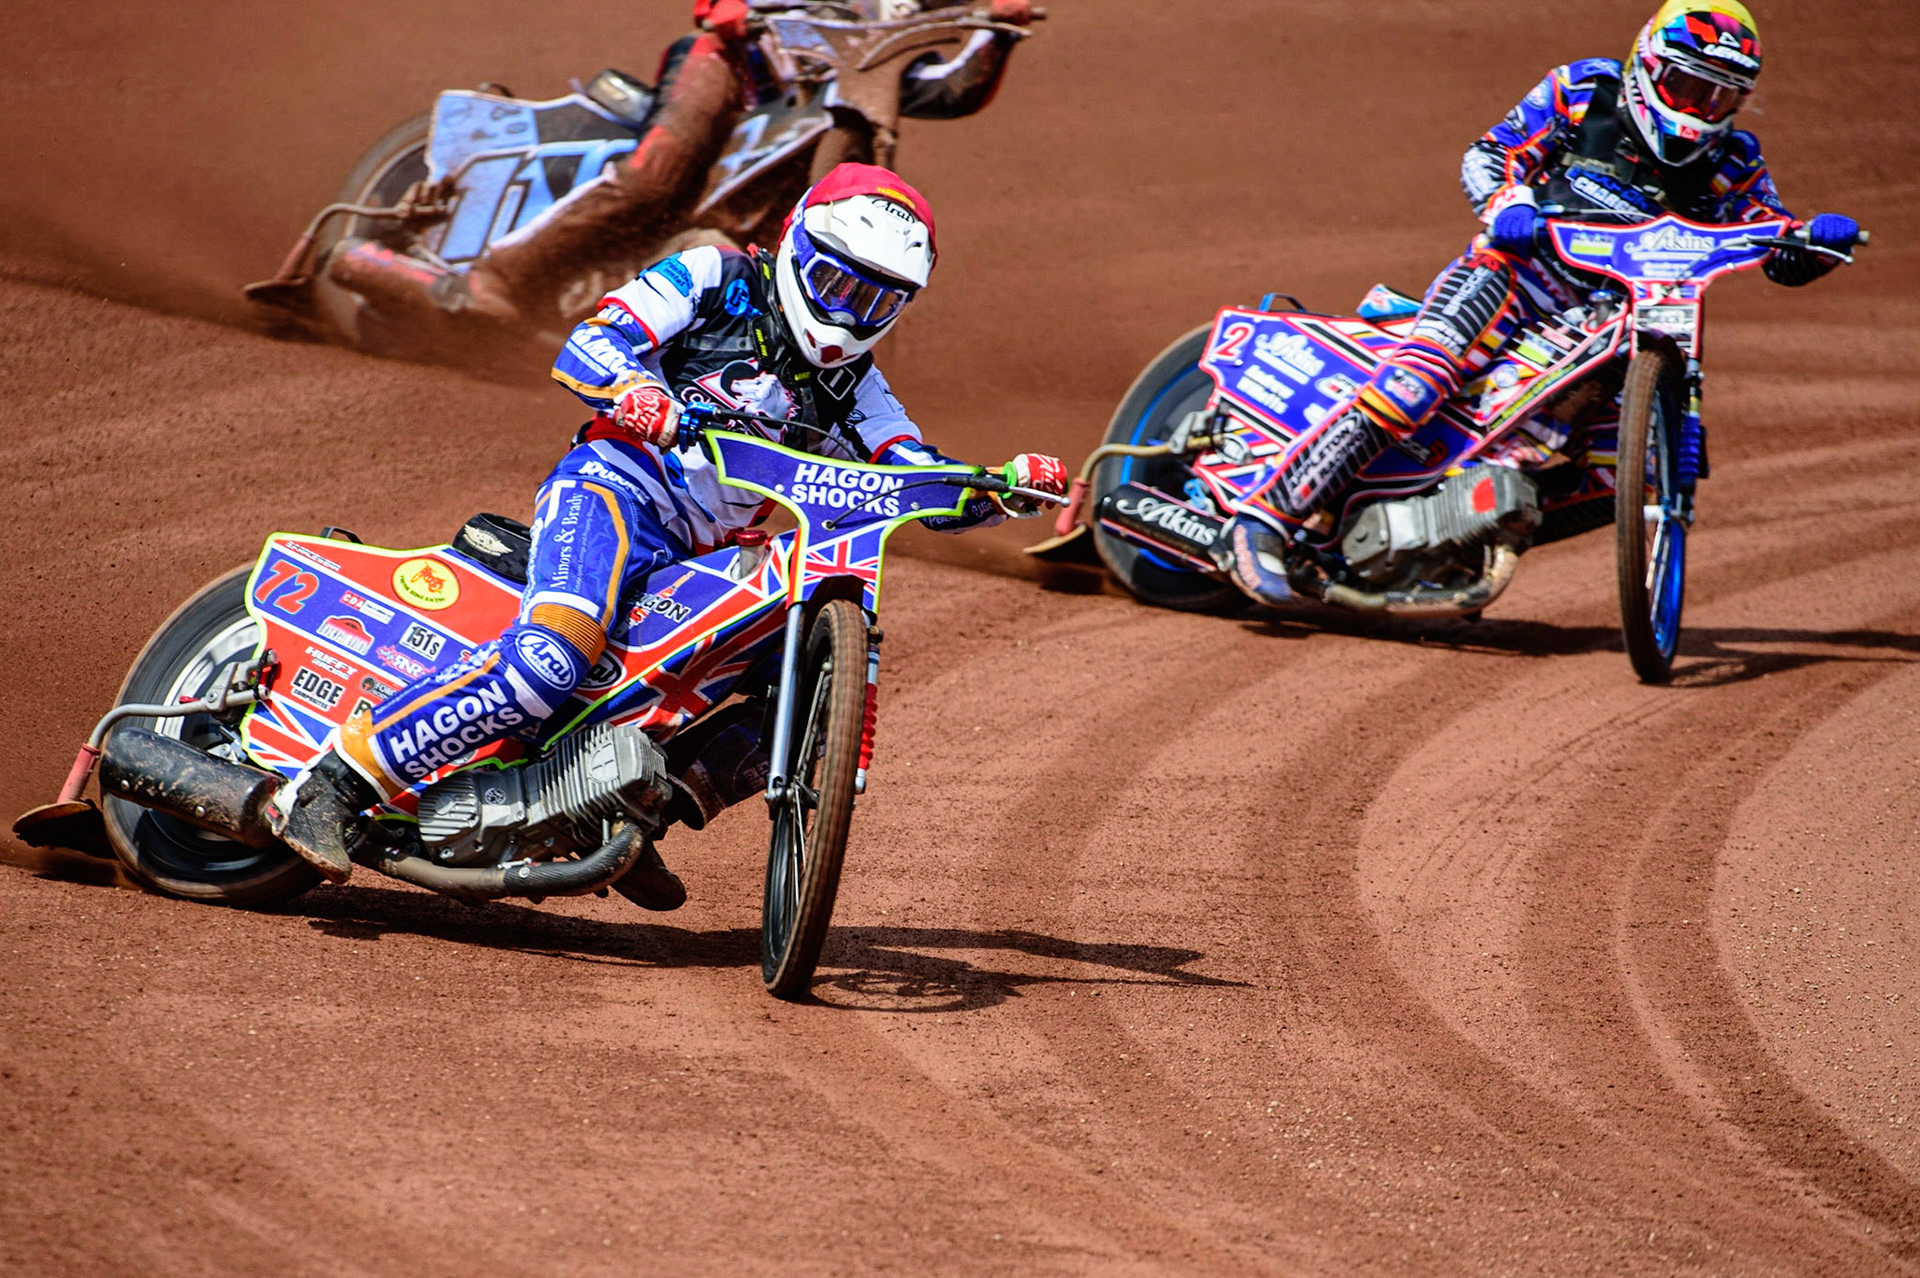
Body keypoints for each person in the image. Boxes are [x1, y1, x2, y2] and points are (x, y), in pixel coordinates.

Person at [266, 164, 1068, 903]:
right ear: (795, 247)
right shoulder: (714, 275)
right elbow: (592, 340)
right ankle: (337, 785)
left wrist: (1003, 488)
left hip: (707, 558)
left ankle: (627, 807)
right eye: (834, 282)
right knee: (553, 657)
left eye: (876, 302)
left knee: (807, 684)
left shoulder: (857, 385)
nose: (847, 314)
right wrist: (631, 387)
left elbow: (912, 473)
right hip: (614, 492)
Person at [1220, 0, 1862, 606]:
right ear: (1647, 64)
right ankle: (1262, 520)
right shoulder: (1584, 92)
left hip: (1617, 319)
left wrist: (1815, 243)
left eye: (1720, 94)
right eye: (1688, 86)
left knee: (1628, 472)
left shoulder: (1735, 161)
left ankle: (1452, 544)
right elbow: (1489, 154)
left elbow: (1775, 245)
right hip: (1515, 273)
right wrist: (1509, 205)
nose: (1701, 107)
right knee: (1422, 379)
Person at [327, 0, 1034, 331]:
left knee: (768, 235)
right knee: (658, 177)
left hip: (828, 111)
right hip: (737, 67)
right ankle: (495, 278)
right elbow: (716, 9)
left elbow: (945, 87)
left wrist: (996, 33)